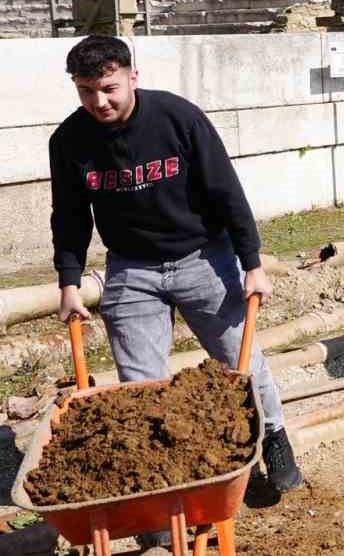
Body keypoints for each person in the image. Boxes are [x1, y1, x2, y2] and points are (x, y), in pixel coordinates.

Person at [50, 35, 302, 493]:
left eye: (109, 87)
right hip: (131, 268)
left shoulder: (178, 118)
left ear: (132, 77)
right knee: (139, 387)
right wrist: (69, 282)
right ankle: (160, 485)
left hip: (203, 256)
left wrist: (252, 264)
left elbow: (227, 192)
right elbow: (68, 216)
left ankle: (274, 439)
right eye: (86, 91)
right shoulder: (69, 140)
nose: (99, 101)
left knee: (238, 363)